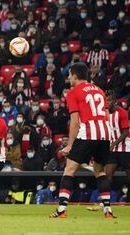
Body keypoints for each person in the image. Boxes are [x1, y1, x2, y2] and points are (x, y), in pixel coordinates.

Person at [49, 62, 116, 219]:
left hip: (88, 132)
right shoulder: (99, 90)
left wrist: (70, 145)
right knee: (99, 171)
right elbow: (106, 116)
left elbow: (75, 121)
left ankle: (62, 209)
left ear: (74, 76)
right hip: (105, 133)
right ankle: (108, 211)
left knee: (69, 169)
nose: (68, 78)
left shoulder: (73, 93)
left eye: (69, 75)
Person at [106, 90, 130, 186]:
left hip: (126, 148)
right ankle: (106, 200)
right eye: (106, 100)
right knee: (107, 176)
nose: (107, 102)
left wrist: (114, 143)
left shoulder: (122, 112)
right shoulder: (104, 114)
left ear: (114, 100)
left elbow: (125, 132)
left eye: (109, 100)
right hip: (112, 150)